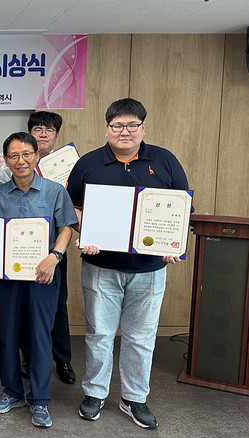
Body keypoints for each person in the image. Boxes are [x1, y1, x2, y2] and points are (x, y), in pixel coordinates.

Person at [66, 98, 189, 430]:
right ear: (107, 128)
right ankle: (95, 393)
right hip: (101, 266)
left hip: (150, 270)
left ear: (143, 128)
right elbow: (71, 206)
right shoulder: (89, 164)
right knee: (99, 334)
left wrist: (174, 245)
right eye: (117, 125)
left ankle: (134, 398)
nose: (125, 131)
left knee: (141, 338)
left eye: (132, 125)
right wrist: (83, 231)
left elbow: (181, 207)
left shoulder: (164, 160)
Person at [0, 132, 77, 428]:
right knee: (8, 334)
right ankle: (12, 391)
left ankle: (39, 399)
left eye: (26, 154)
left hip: (43, 276)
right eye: (13, 155)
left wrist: (54, 256)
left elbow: (66, 228)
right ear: (6, 160)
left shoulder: (54, 191)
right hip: (8, 279)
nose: (20, 160)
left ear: (37, 156)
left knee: (40, 336)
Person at [18, 111, 76, 385]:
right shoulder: (16, 163)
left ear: (56, 135)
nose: (43, 134)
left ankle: (62, 359)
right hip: (20, 248)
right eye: (37, 129)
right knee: (25, 308)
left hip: (54, 248)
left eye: (49, 130)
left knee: (58, 305)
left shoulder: (70, 167)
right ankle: (28, 358)